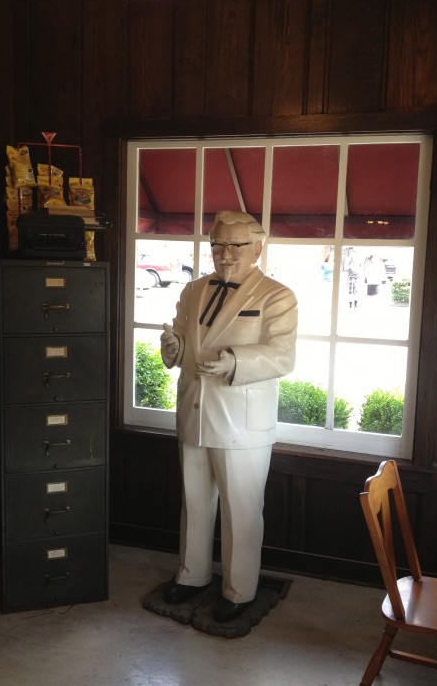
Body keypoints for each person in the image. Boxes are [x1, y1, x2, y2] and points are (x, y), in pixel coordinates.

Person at [160, 210, 298, 623]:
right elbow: (182, 339)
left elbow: (282, 356)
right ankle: (192, 574)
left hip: (242, 419)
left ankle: (239, 590)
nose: (226, 253)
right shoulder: (192, 290)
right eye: (218, 244)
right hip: (195, 412)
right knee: (194, 502)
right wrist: (173, 348)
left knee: (241, 509)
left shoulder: (277, 296)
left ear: (257, 249)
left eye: (236, 245)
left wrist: (235, 360)